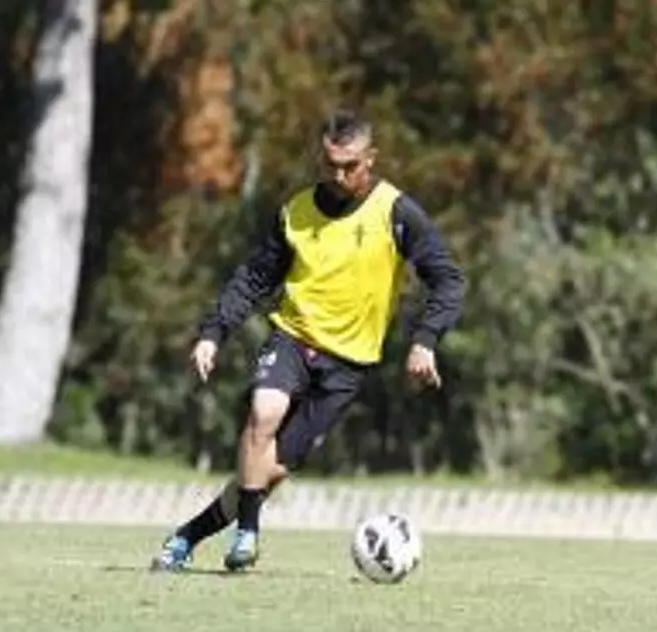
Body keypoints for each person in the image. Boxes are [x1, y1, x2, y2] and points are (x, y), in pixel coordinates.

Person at [151, 109, 466, 572]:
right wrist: (213, 332)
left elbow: (448, 280)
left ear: (371, 159)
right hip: (293, 338)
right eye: (330, 165)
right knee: (264, 412)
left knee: (265, 473)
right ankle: (248, 535)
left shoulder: (397, 213)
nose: (339, 176)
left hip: (349, 364)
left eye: (350, 166)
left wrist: (425, 340)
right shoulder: (295, 213)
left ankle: (185, 538)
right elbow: (253, 279)